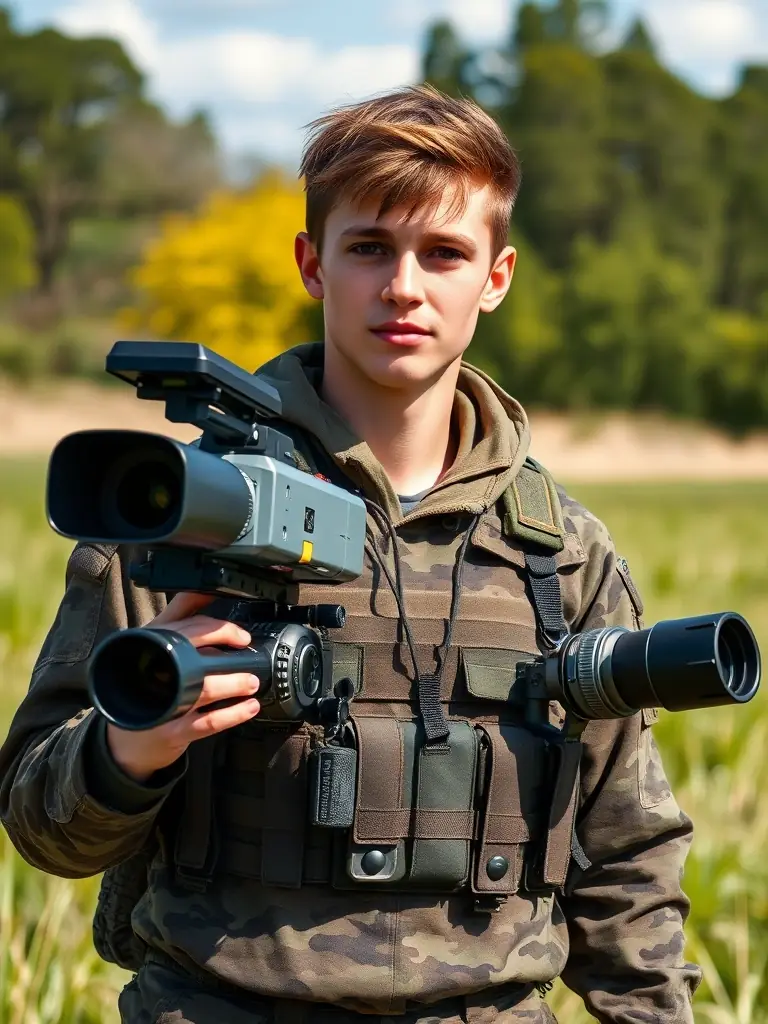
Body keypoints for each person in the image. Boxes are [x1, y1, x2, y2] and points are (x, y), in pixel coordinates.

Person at [0, 85, 701, 1023]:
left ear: (495, 277)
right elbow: (42, 825)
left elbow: (627, 855)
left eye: (444, 253)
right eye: (369, 246)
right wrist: (129, 753)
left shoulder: (559, 554)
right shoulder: (183, 519)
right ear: (312, 263)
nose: (403, 287)